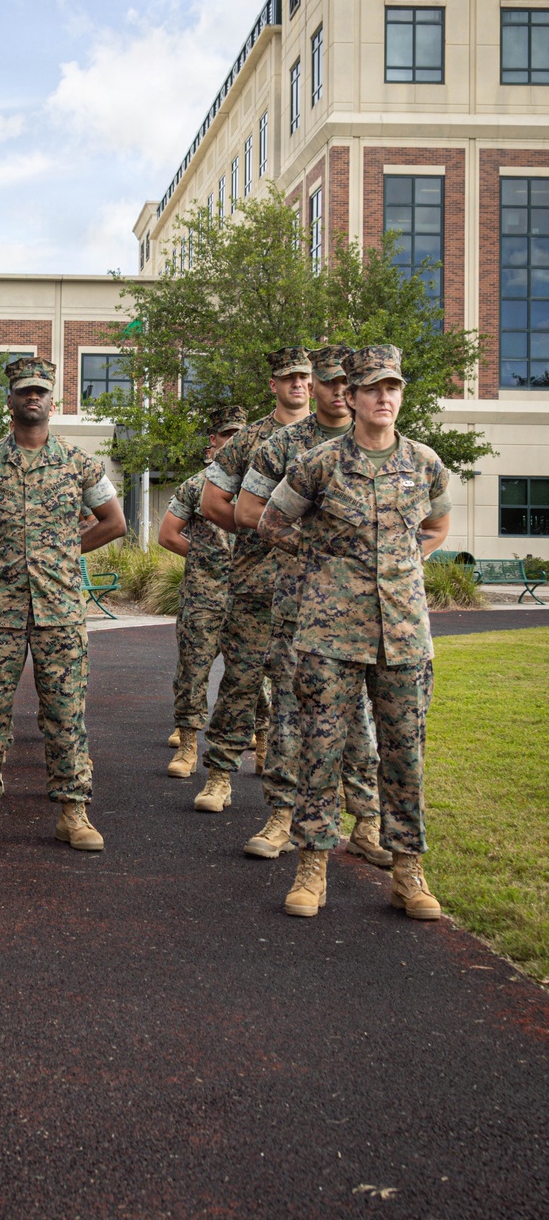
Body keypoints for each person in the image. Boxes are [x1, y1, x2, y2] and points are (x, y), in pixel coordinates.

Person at [257, 345, 451, 920]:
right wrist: (322, 558)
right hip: (329, 634)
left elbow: (437, 523)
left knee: (404, 755)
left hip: (404, 635)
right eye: (372, 390)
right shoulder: (319, 462)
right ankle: (312, 866)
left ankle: (408, 870)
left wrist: (400, 565)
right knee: (321, 750)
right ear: (353, 397)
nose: (383, 398)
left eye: (392, 388)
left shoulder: (424, 463)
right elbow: (271, 521)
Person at [0, 356, 126, 850]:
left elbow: (114, 521)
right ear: (11, 399)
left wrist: (64, 553)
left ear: (52, 399)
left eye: (41, 390)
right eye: (24, 391)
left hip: (59, 609)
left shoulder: (79, 463)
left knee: (65, 712)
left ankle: (74, 811)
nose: (33, 397)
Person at [235, 345, 389, 865]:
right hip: (301, 603)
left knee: (360, 717)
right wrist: (316, 552)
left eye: (351, 382)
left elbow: (424, 525)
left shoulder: (383, 446)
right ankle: (282, 814)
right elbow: (249, 507)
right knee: (291, 709)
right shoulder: (285, 445)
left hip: (371, 610)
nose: (341, 391)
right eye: (329, 382)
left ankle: (367, 822)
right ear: (316, 387)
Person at [195, 347, 312, 813]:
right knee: (241, 680)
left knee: (301, 687)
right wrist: (258, 530)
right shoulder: (250, 441)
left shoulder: (332, 436)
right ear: (274, 385)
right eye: (288, 378)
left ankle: (295, 787)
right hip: (256, 580)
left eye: (304, 376)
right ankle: (221, 774)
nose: (298, 385)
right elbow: (212, 502)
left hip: (313, 588)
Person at [158, 405, 247, 778]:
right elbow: (168, 535)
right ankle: (189, 748)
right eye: (227, 435)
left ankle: (262, 739)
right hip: (204, 595)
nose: (234, 442)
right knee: (193, 671)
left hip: (249, 594)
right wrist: (204, 558)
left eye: (240, 435)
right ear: (214, 440)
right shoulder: (196, 486)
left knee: (253, 672)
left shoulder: (263, 485)